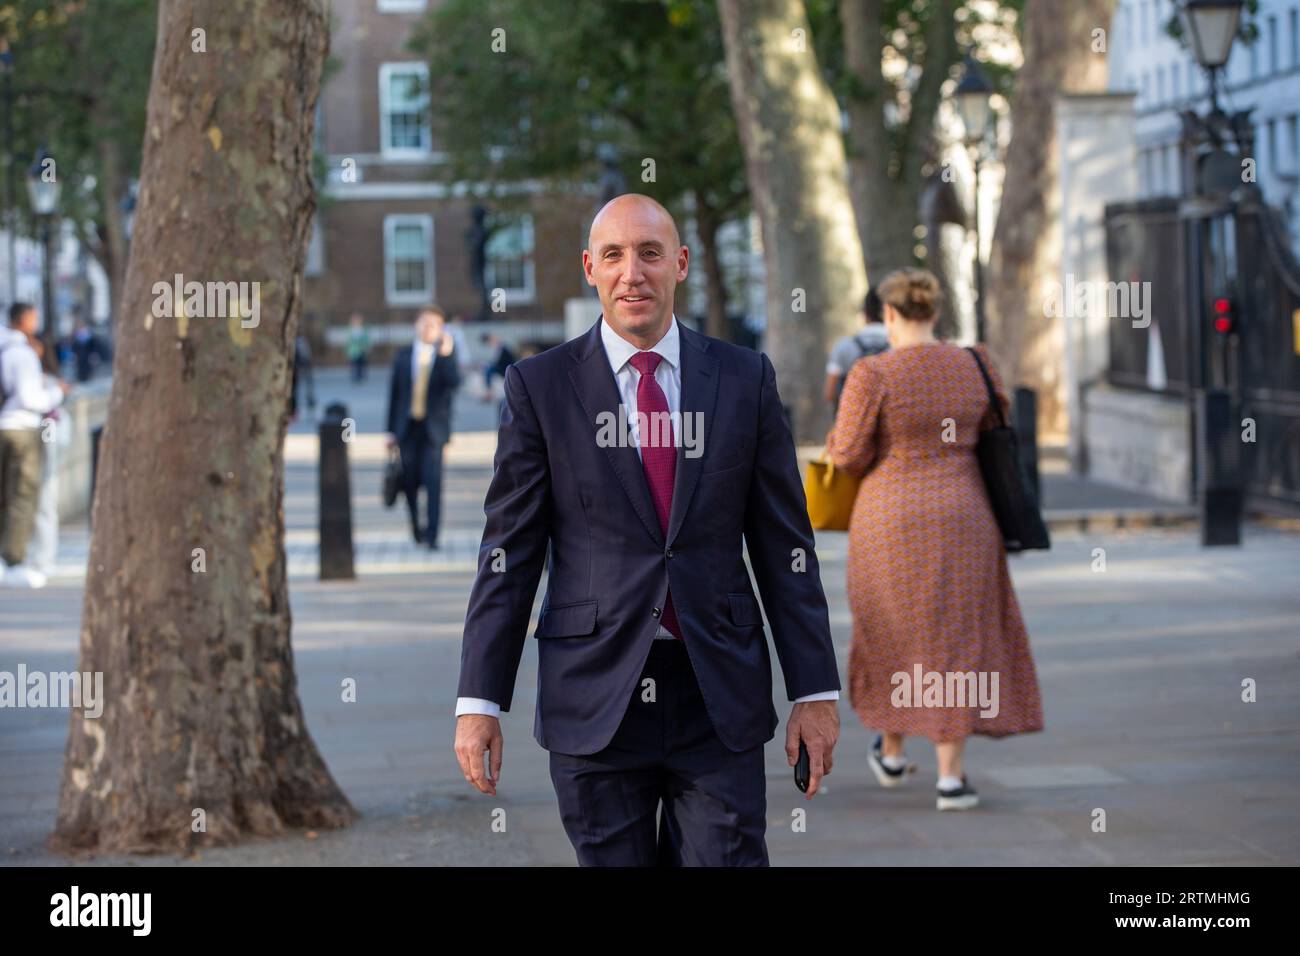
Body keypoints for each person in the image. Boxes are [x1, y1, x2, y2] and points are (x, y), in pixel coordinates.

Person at [454, 194, 841, 867]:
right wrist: (479, 699)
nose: (632, 272)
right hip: (594, 696)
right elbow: (508, 556)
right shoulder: (539, 387)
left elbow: (786, 548)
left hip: (716, 693)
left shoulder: (745, 379)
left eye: (650, 253)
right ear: (590, 269)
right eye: (614, 255)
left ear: (681, 264)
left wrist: (814, 690)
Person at [826, 268, 1044, 811]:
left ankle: (893, 751)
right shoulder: (975, 361)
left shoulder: (871, 372)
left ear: (890, 315)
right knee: (956, 639)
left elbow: (849, 455)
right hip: (965, 515)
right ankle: (950, 778)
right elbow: (1000, 419)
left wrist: (835, 442)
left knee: (894, 632)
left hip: (890, 520)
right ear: (935, 312)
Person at [0, 303, 70, 588]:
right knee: (23, 495)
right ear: (26, 320)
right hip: (24, 427)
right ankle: (14, 560)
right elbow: (31, 398)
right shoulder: (23, 353)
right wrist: (56, 393)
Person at [386, 307, 460, 549]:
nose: (428, 328)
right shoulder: (403, 356)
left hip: (433, 432)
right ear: (416, 325)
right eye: (424, 323)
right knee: (409, 483)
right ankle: (416, 529)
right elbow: (395, 395)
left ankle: (433, 535)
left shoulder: (445, 356)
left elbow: (454, 384)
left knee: (433, 483)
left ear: (441, 330)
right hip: (407, 429)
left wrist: (447, 355)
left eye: (434, 325)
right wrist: (390, 431)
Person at [824, 287, 888, 414]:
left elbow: (830, 394)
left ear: (865, 313)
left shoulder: (844, 346)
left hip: (852, 419)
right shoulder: (900, 348)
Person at [480, 331, 517, 401]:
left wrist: (487, 365)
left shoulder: (502, 348)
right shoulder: (499, 348)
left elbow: (498, 362)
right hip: (505, 368)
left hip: (507, 369)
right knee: (488, 370)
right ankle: (488, 392)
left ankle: (489, 393)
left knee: (488, 370)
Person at [345, 313, 372, 383]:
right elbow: (348, 340)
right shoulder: (350, 329)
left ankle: (361, 376)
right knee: (354, 363)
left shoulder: (364, 329)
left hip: (362, 350)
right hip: (354, 350)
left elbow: (367, 339)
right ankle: (355, 376)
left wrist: (367, 347)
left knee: (362, 363)